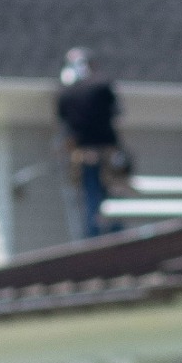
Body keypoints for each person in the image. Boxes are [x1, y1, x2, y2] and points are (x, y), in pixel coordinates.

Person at [53, 48, 125, 238]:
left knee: (90, 199)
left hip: (84, 154)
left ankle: (93, 240)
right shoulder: (102, 87)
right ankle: (114, 238)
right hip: (106, 152)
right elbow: (117, 113)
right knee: (111, 195)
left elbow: (64, 124)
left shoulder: (65, 93)